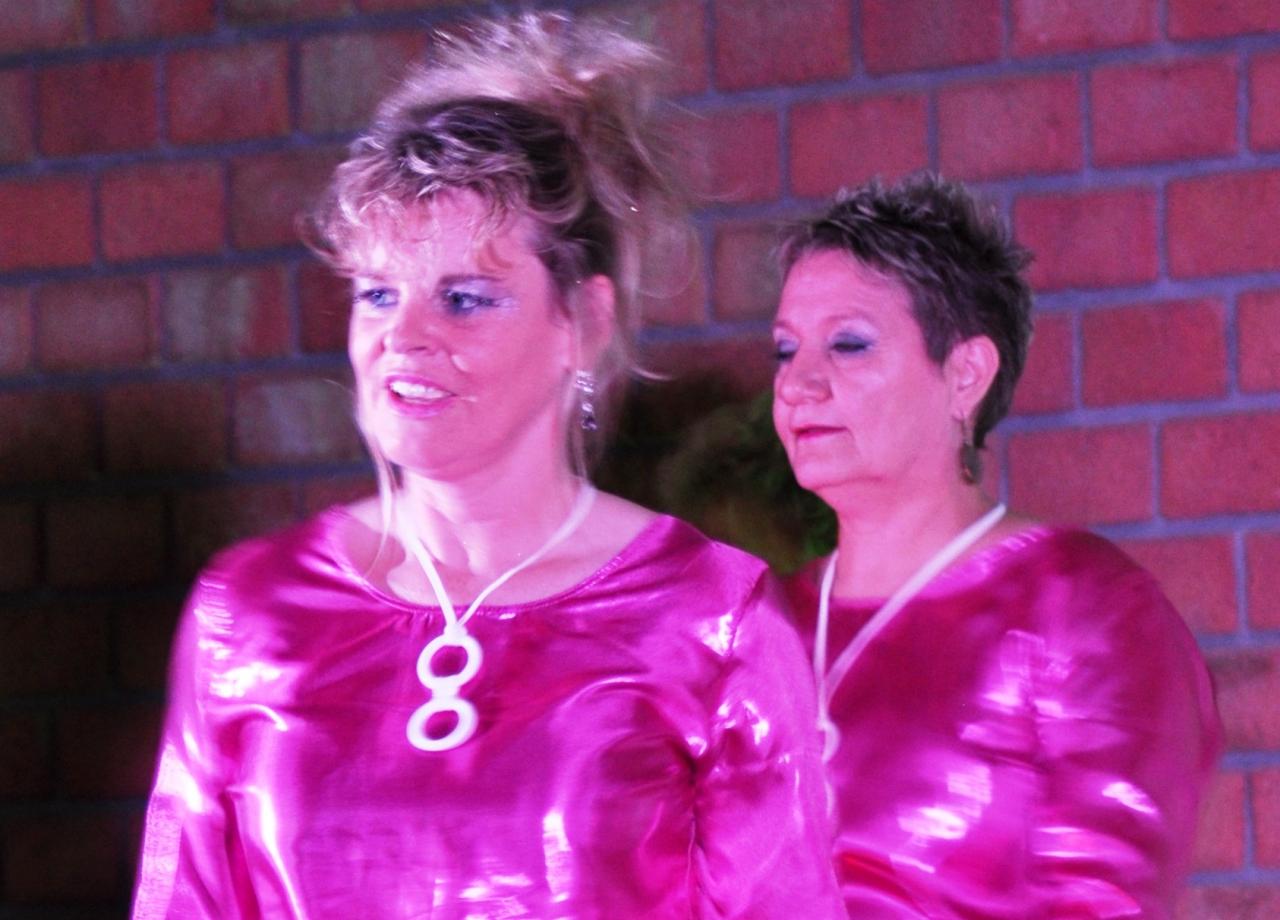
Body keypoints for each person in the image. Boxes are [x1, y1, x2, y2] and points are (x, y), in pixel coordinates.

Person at [131, 13, 841, 918]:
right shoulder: (249, 612)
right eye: (378, 293)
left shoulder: (709, 620)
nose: (403, 337)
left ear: (582, 322)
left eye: (464, 299)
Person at [771, 173, 1221, 919]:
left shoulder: (1082, 607)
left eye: (848, 344)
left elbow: (1106, 900)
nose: (798, 384)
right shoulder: (757, 624)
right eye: (785, 351)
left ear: (965, 375)